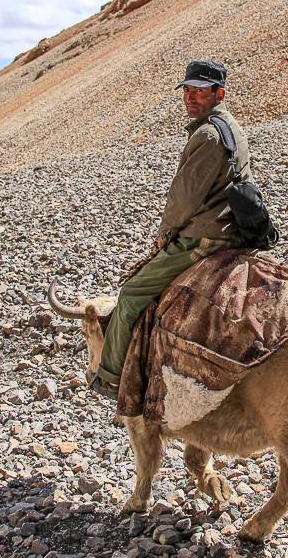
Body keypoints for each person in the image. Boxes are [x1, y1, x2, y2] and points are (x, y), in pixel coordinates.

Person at [90, 60, 253, 399]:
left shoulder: (208, 135)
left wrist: (166, 234)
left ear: (219, 93)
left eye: (200, 91)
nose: (191, 98)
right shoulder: (229, 127)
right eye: (188, 90)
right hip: (233, 228)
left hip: (206, 237)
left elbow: (184, 198)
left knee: (132, 294)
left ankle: (111, 377)